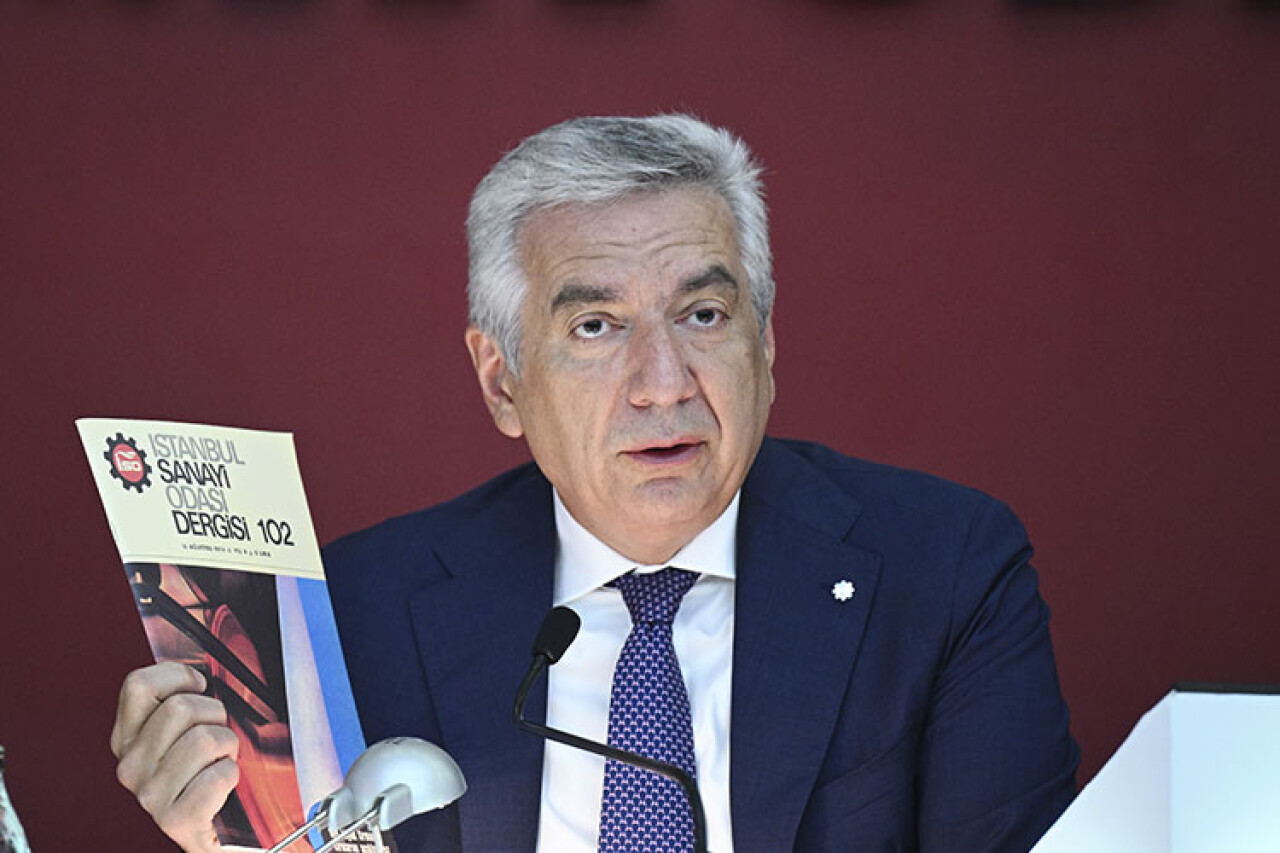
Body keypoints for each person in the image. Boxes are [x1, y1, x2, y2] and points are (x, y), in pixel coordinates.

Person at [111, 114, 1079, 853]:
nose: (662, 384)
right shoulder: (355, 617)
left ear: (767, 345)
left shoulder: (944, 570)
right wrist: (230, 836)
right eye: (595, 327)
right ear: (502, 381)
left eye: (703, 315)